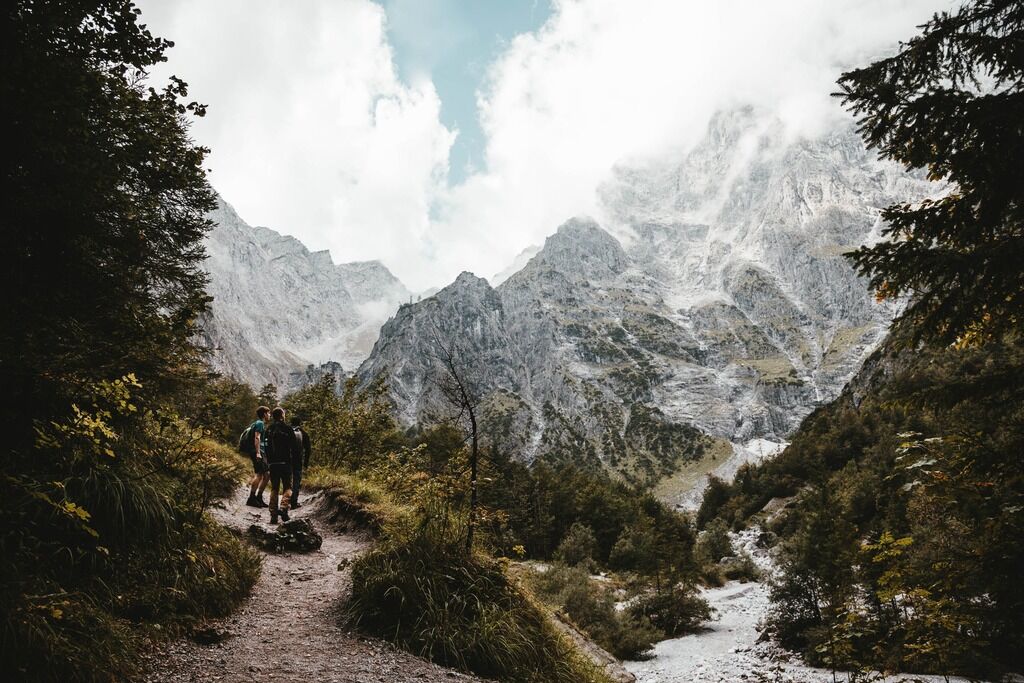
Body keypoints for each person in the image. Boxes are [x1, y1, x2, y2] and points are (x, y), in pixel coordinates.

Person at [264, 406, 301, 524]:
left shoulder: (268, 429)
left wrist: (268, 462)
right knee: (287, 488)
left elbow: (265, 447)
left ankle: (273, 515)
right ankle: (284, 508)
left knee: (274, 488)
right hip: (286, 463)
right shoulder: (288, 429)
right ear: (282, 416)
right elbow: (294, 448)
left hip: (273, 464)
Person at [245, 406, 271, 507]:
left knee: (266, 474)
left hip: (260, 450)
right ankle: (252, 498)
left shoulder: (258, 423)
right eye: (268, 413)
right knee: (260, 474)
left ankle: (258, 497)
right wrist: (258, 452)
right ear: (264, 414)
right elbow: (257, 437)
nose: (269, 415)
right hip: (258, 451)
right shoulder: (260, 423)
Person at [290, 417, 312, 508]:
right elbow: (308, 450)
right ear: (300, 423)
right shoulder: (304, 433)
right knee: (296, 481)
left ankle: (285, 500)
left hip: (286, 460)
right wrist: (305, 463)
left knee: (287, 481)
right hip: (298, 460)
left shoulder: (286, 431)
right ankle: (294, 502)